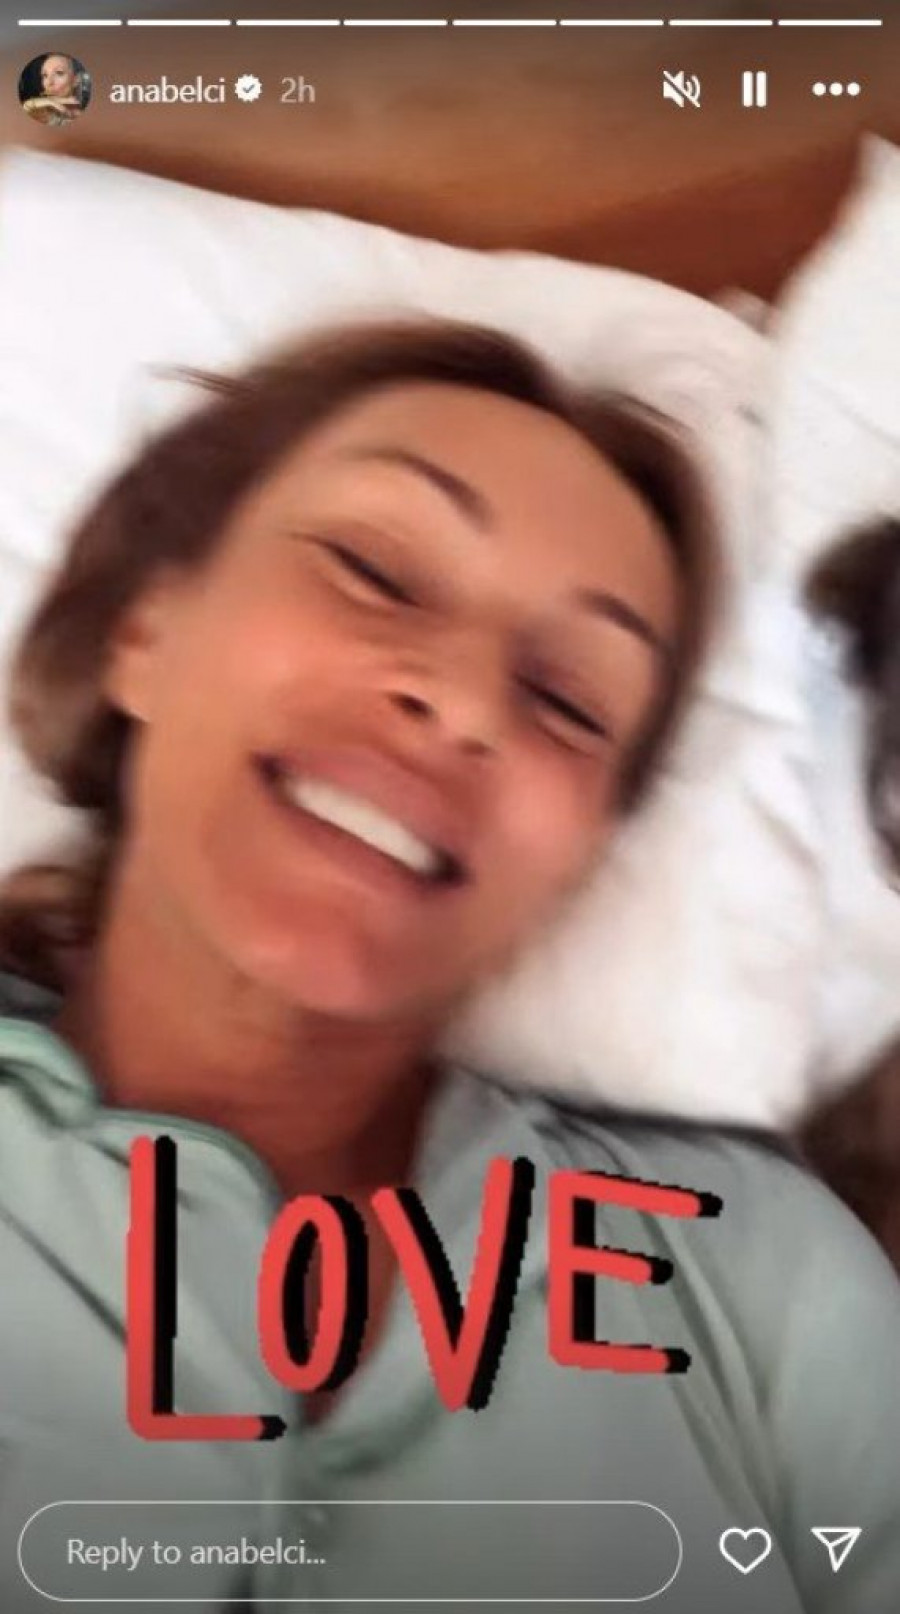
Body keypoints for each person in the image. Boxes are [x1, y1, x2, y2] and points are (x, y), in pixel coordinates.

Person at [0, 318, 897, 1613]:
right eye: (373, 568)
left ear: (580, 864)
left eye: (569, 702)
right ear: (146, 628)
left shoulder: (762, 1278)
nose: (466, 701)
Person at [20, 53, 88, 128]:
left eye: (59, 73)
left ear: (76, 80)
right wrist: (49, 102)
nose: (49, 83)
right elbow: (26, 108)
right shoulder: (40, 112)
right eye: (45, 75)